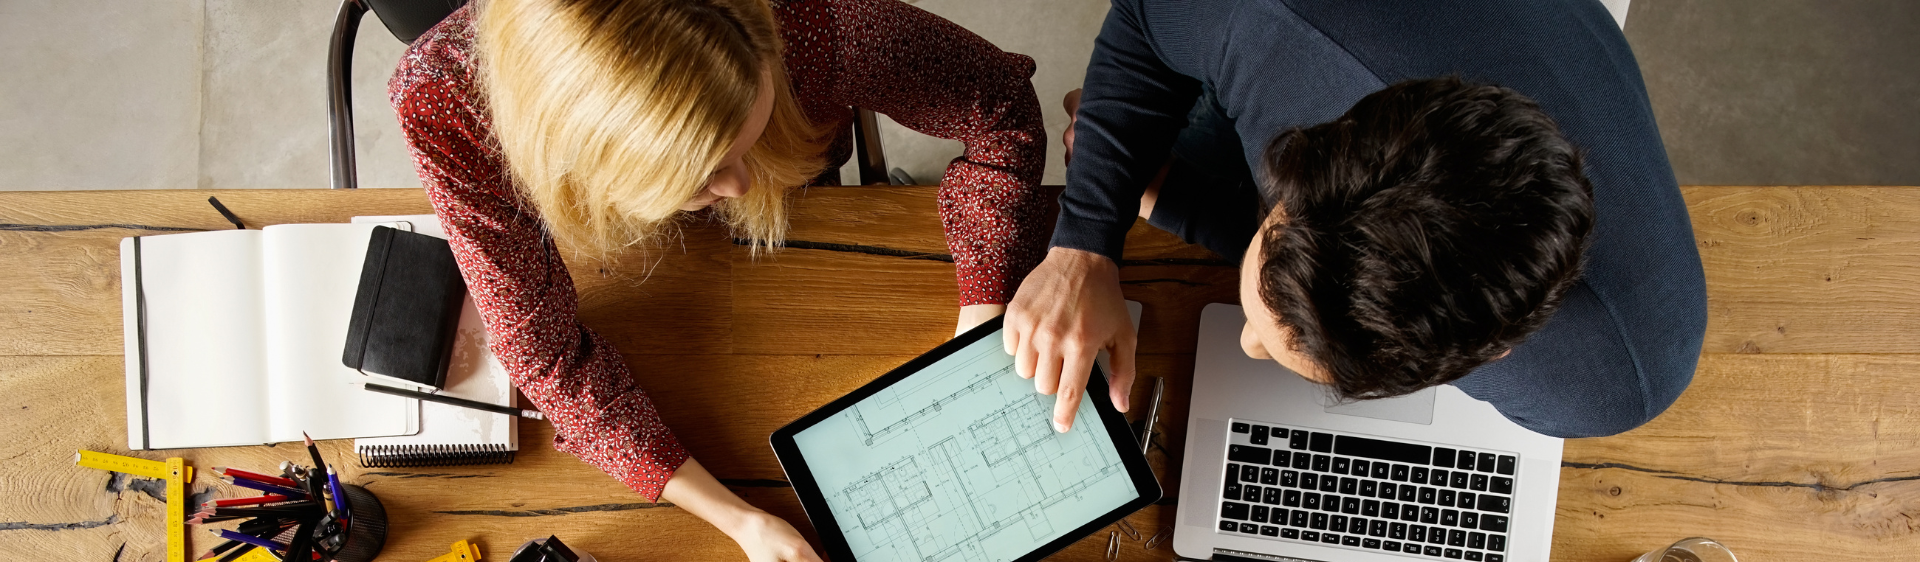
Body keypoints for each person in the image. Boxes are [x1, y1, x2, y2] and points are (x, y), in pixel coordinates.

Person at [390, 0, 1046, 559]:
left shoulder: (812, 21)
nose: (740, 186)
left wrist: (981, 314)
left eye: (746, 135)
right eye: (705, 171)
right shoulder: (447, 107)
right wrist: (742, 522)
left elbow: (1000, 107)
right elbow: (543, 354)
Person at [1006, 0, 1706, 439]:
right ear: (1303, 157)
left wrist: (1173, 199)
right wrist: (1086, 242)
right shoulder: (1270, 20)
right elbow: (1143, 16)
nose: (1247, 344)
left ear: (1495, 356)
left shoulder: (1608, 383)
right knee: (1121, 133)